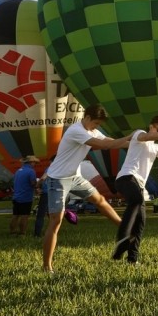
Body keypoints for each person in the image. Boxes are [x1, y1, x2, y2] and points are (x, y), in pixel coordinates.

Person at [42, 104, 133, 273]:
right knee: (56, 221)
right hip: (58, 179)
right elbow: (104, 146)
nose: (97, 127)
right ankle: (47, 266)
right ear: (88, 118)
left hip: (75, 177)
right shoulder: (76, 130)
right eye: (96, 123)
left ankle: (125, 229)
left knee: (100, 200)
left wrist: (135, 142)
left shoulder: (91, 130)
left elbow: (110, 141)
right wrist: (130, 136)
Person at [112, 116, 158, 264]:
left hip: (139, 185)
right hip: (126, 178)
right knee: (137, 200)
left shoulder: (157, 148)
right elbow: (146, 136)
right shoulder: (139, 135)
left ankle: (132, 259)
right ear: (151, 126)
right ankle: (121, 240)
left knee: (140, 222)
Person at [10, 155, 40, 235]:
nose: (35, 164)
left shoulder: (18, 171)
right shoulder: (31, 171)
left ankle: (12, 232)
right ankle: (22, 233)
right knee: (25, 215)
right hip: (25, 197)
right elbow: (33, 183)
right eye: (34, 162)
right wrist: (38, 185)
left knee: (15, 215)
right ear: (31, 162)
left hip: (16, 196)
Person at [34, 155, 54, 238]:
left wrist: (37, 186)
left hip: (46, 194)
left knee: (41, 215)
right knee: (53, 215)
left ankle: (37, 234)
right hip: (56, 194)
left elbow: (42, 178)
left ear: (51, 161)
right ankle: (53, 232)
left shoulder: (50, 168)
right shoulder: (62, 169)